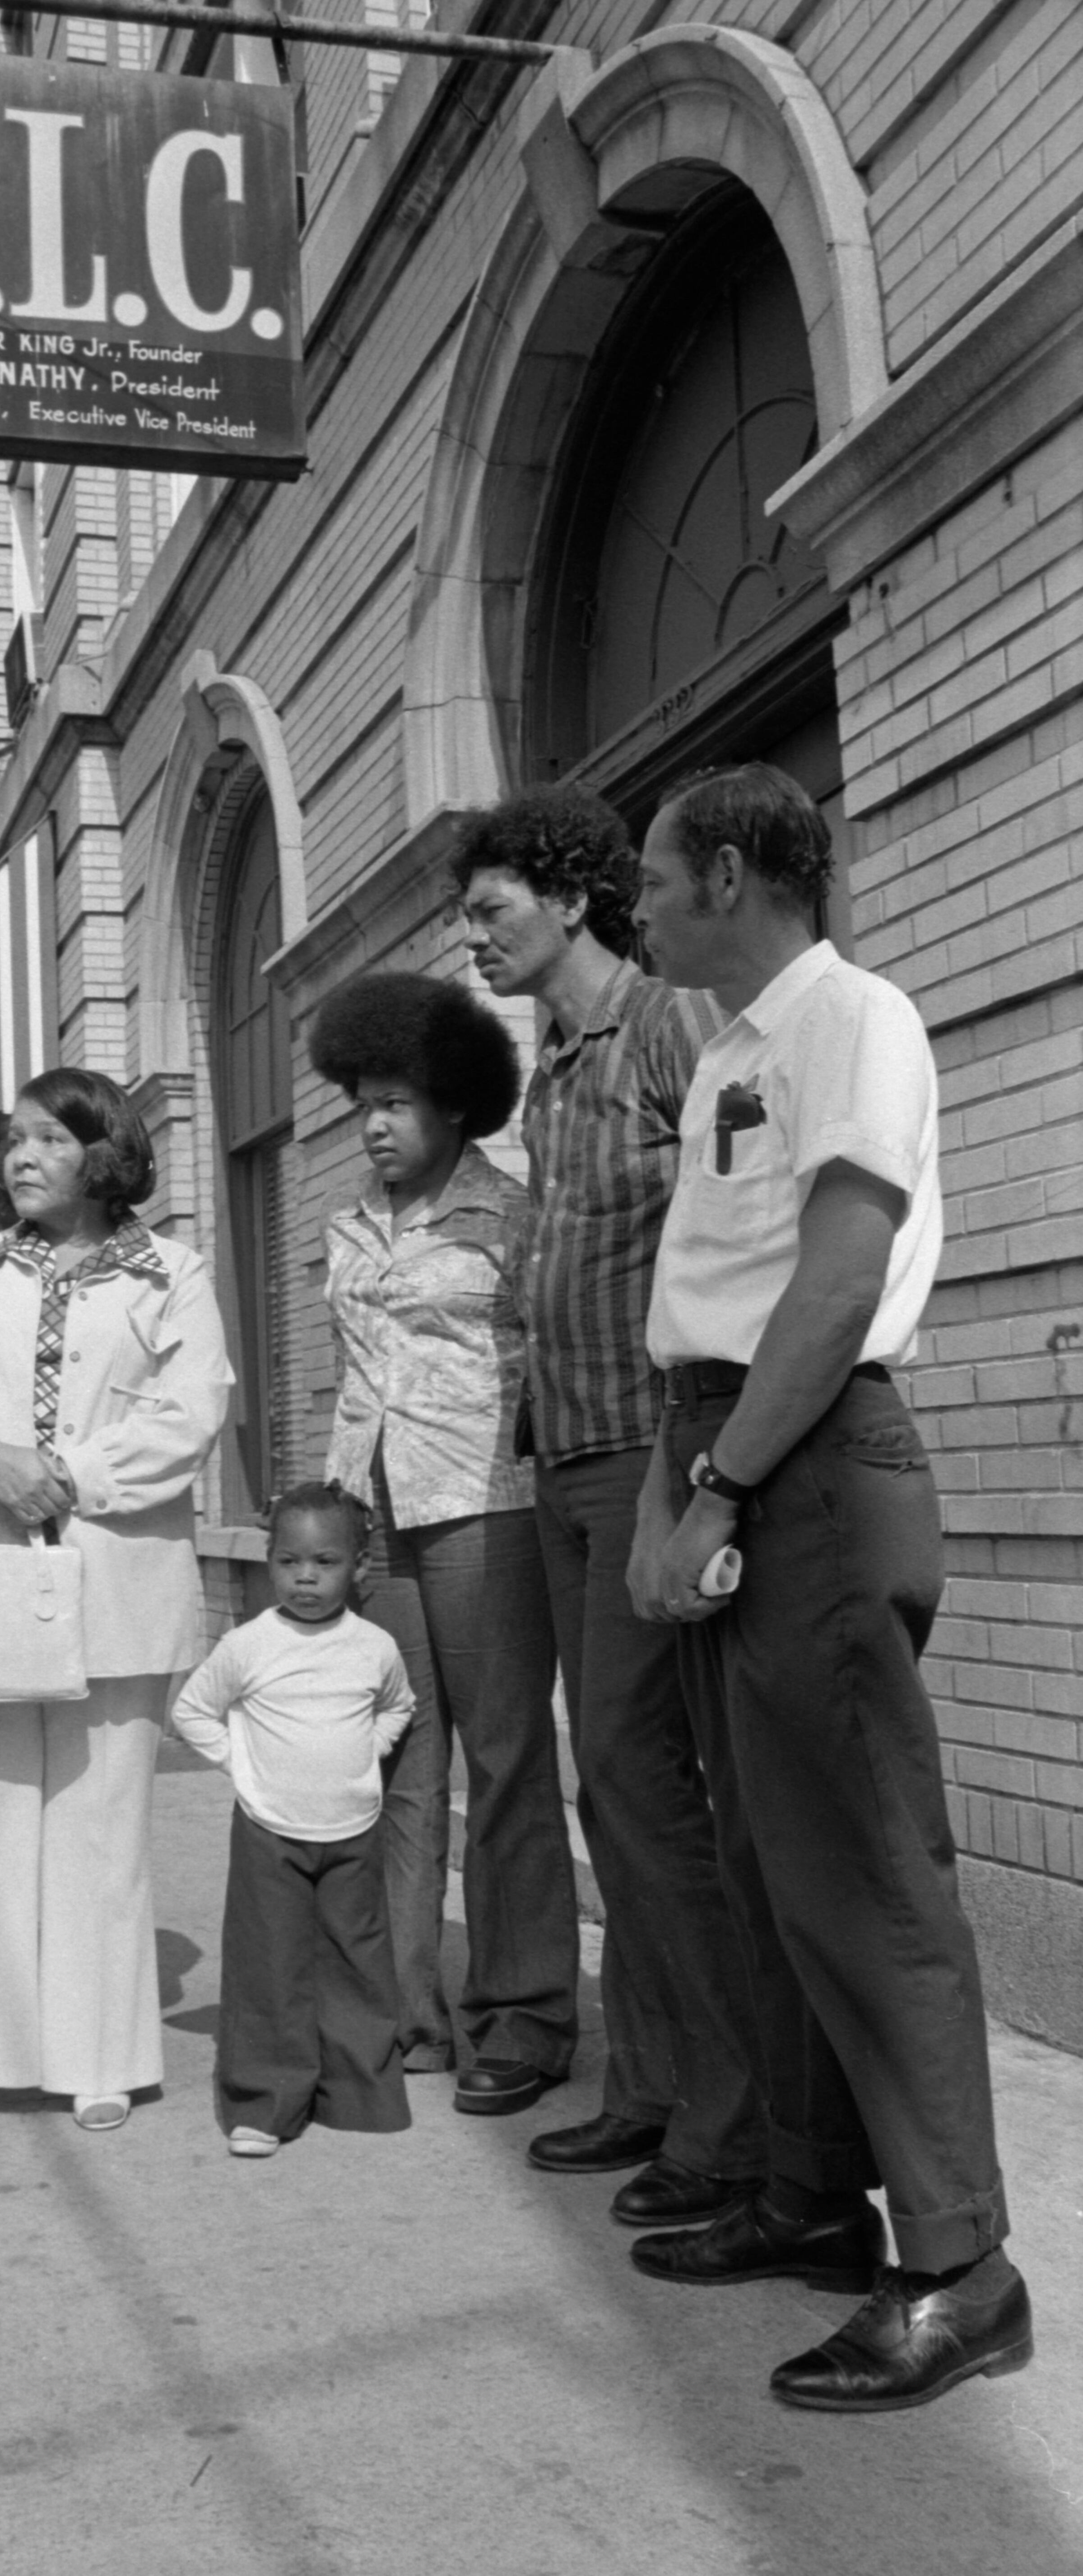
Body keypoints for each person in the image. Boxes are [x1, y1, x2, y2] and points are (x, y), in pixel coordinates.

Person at [627, 761, 1032, 2414]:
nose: (633, 903)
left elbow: (841, 1274)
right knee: (770, 1860)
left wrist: (719, 1485)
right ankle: (811, 2193)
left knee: (867, 1869)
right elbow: (712, 1296)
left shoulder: (852, 1015)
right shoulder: (732, 1045)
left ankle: (961, 2266)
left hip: (807, 1462)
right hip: (723, 1443)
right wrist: (679, 1479)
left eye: (652, 875)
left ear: (729, 872)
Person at [453, 788, 765, 2228]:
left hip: (655, 1459)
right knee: (612, 1791)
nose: (475, 939)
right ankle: (649, 2087)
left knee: (649, 1787)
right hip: (563, 1464)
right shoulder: (550, 1079)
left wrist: (709, 1478)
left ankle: (731, 2121)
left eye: (493, 910)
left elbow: (749, 1238)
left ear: (573, 898)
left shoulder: (669, 1028)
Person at [0, 1068, 231, 2134]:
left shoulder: (170, 1273)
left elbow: (191, 1414)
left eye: (48, 1139)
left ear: (103, 1153)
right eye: (13, 1140)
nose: (22, 1158)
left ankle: (98, 2056)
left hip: (118, 1577)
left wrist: (71, 1476)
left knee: (98, 1825)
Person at [311, 970, 578, 2114]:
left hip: (487, 1509)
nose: (374, 1123)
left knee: (508, 1764)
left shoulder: (513, 1217)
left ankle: (523, 2014)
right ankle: (408, 2014)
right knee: (398, 1767)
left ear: (458, 1106)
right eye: (362, 1100)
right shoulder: (344, 1226)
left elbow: (553, 1363)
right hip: (378, 1525)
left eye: (399, 1102)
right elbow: (350, 1383)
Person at [172, 1482, 416, 2157]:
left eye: (326, 1562)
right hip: (269, 1828)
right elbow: (191, 1712)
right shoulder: (250, 1645)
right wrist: (242, 1766)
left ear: (359, 1567)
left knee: (357, 1960)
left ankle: (359, 2093)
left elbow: (398, 1706)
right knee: (270, 1966)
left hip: (353, 1827)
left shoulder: (374, 1646)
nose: (305, 1577)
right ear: (270, 1560)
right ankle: (267, 2102)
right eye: (288, 1561)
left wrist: (371, 1751)